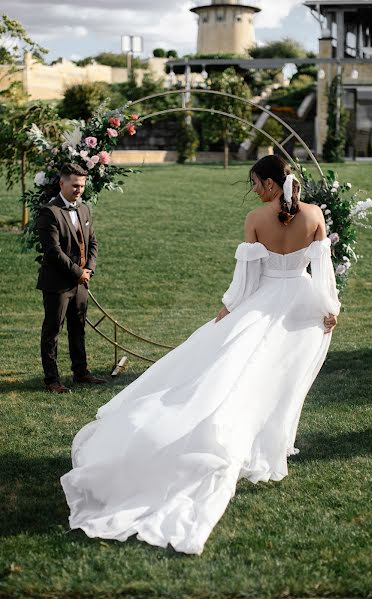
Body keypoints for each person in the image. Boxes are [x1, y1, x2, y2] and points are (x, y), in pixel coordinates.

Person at [61, 155, 340, 554]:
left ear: (271, 184)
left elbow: (247, 280)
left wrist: (227, 310)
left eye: (257, 182)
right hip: (301, 308)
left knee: (247, 375)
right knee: (280, 382)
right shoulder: (314, 215)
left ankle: (255, 446)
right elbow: (322, 270)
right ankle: (268, 450)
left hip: (264, 303)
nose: (256, 189)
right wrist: (329, 307)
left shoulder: (256, 219)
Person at [37, 162, 106, 393]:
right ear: (62, 183)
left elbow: (92, 241)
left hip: (80, 283)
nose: (79, 190)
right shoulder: (49, 212)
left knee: (78, 328)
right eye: (75, 185)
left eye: (82, 186)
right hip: (57, 283)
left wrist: (89, 270)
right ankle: (52, 379)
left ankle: (81, 372)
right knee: (52, 331)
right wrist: (78, 273)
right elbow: (53, 251)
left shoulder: (85, 209)